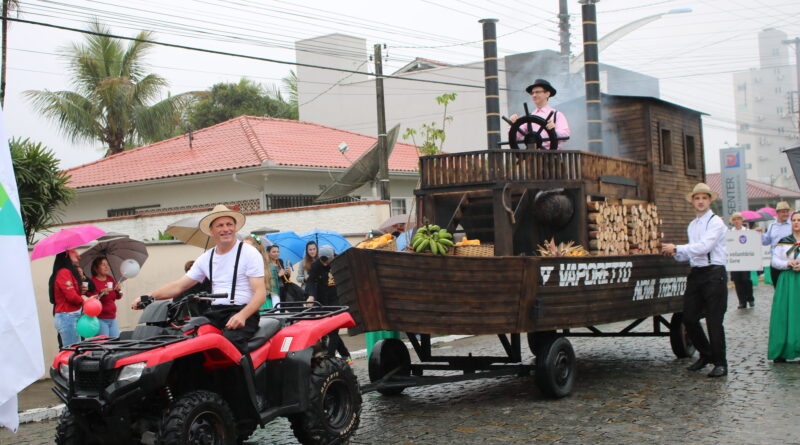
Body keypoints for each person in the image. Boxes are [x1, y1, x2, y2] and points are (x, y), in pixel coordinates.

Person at [131, 205, 266, 353]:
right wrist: (149, 296)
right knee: (187, 338)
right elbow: (179, 286)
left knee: (230, 346)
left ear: (235, 228)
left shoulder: (249, 253)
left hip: (242, 312)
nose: (226, 229)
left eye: (229, 224)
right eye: (220, 225)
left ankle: (240, 376)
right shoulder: (206, 258)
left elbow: (260, 294)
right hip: (215, 312)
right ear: (211, 231)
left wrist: (242, 315)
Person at [662, 183, 729, 377]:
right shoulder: (692, 225)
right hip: (697, 273)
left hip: (714, 273)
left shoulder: (716, 222)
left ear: (709, 200)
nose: (700, 202)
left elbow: (704, 247)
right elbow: (690, 254)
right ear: (692, 201)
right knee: (689, 318)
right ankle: (706, 354)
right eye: (697, 198)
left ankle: (721, 363)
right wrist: (673, 253)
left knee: (714, 320)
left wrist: (678, 248)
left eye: (704, 198)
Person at [305, 245, 352, 364]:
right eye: (323, 261)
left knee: (334, 329)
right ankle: (346, 355)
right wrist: (311, 295)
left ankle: (330, 357)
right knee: (330, 330)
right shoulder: (316, 265)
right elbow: (311, 281)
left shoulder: (339, 263)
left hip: (337, 298)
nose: (325, 264)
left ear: (333, 257)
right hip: (323, 300)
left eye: (328, 261)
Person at [767, 210, 800, 363]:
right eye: (794, 220)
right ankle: (782, 349)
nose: (796, 223)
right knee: (784, 313)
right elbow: (774, 261)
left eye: (799, 220)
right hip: (788, 281)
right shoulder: (784, 241)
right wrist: (788, 263)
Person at [509, 79, 570, 150]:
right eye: (532, 93)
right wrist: (513, 124)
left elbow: (565, 134)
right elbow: (514, 136)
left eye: (537, 92)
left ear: (547, 94)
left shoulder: (557, 115)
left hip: (551, 158)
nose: (534, 95)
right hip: (532, 158)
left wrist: (553, 130)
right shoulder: (528, 117)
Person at [49, 249, 89, 347]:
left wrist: (81, 291)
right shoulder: (64, 272)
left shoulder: (69, 272)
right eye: (73, 251)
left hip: (71, 316)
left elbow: (71, 294)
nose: (77, 255)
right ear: (66, 254)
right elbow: (71, 296)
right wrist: (84, 300)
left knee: (75, 350)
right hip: (67, 316)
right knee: (72, 352)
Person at [757, 201, 793, 286]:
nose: (785, 214)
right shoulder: (772, 226)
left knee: (789, 288)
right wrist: (760, 234)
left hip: (789, 261)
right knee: (777, 288)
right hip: (775, 262)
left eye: (787, 211)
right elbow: (766, 241)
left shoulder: (792, 225)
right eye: (783, 212)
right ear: (777, 213)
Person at [89, 256, 123, 337]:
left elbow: (117, 296)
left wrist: (118, 290)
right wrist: (101, 293)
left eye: (107, 264)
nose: (106, 267)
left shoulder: (110, 279)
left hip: (112, 318)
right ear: (96, 268)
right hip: (100, 319)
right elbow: (91, 300)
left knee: (115, 343)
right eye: (103, 264)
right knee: (104, 345)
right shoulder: (92, 282)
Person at [729, 212, 755, 309]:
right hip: (735, 260)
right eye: (734, 219)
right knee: (737, 281)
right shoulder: (730, 233)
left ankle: (750, 298)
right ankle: (742, 301)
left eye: (738, 219)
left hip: (745, 260)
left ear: (741, 220)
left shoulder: (747, 231)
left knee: (746, 280)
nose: (736, 221)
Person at [265, 245, 292, 309]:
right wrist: (278, 275)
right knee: (275, 308)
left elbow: (284, 279)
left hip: (282, 289)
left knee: (282, 308)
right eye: (274, 252)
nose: (276, 254)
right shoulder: (266, 264)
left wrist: (288, 274)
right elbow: (267, 279)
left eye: (278, 252)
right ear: (268, 253)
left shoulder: (280, 262)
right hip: (273, 290)